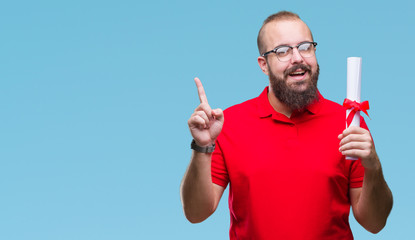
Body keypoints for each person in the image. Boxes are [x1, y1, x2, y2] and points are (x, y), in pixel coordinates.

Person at [180, 11, 393, 239]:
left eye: (305, 47)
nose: (297, 58)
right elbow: (196, 213)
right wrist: (202, 147)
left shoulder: (349, 123)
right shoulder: (227, 124)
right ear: (264, 65)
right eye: (282, 51)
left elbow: (375, 223)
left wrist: (373, 166)